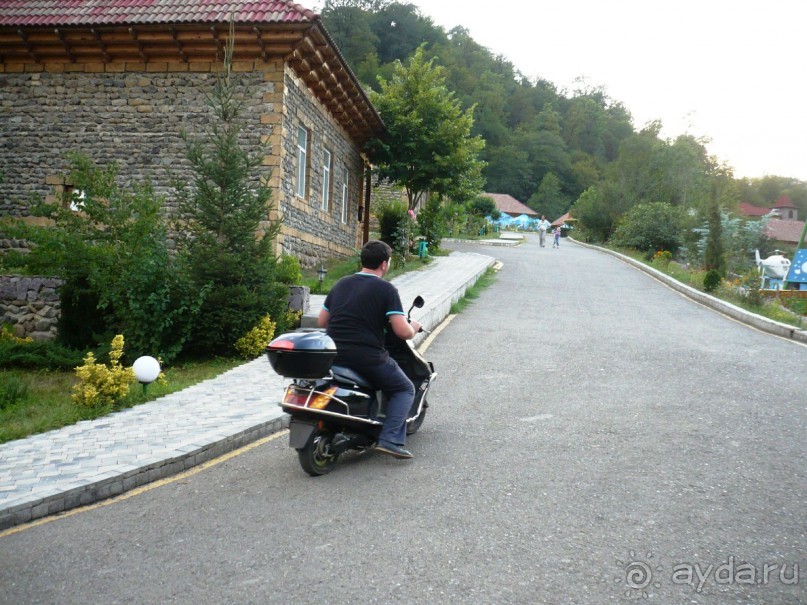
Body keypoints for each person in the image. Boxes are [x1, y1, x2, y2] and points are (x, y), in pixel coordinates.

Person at [318, 240, 422, 460]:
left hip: (333, 354)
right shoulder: (386, 289)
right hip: (366, 357)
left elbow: (321, 321)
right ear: (384, 264)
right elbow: (402, 332)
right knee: (405, 389)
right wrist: (413, 328)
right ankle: (390, 440)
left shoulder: (341, 283)